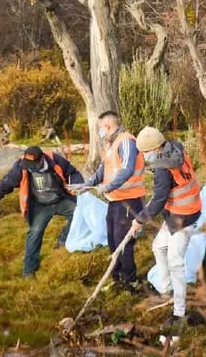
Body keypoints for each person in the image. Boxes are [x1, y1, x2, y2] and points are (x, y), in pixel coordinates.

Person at [129, 126, 202, 335]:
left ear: (153, 150)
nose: (144, 156)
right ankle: (166, 290)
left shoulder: (162, 170)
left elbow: (159, 199)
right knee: (158, 247)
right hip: (183, 211)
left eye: (144, 152)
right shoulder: (176, 148)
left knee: (175, 262)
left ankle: (179, 312)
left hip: (183, 217)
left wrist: (140, 220)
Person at [74, 111, 146, 291]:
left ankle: (130, 281)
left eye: (100, 129)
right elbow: (102, 170)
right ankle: (117, 278)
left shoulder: (127, 141)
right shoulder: (109, 144)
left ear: (107, 127)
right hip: (114, 201)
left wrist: (108, 186)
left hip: (129, 201)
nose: (99, 132)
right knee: (113, 241)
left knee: (124, 242)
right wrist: (87, 184)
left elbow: (127, 169)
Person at [0, 146, 84, 277]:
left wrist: (78, 185)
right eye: (28, 164)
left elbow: (73, 172)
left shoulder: (55, 160)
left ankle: (62, 240)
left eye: (33, 164)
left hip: (60, 199)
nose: (30, 167)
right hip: (39, 205)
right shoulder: (21, 166)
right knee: (35, 232)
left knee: (80, 212)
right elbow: (6, 183)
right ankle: (29, 270)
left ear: (41, 159)